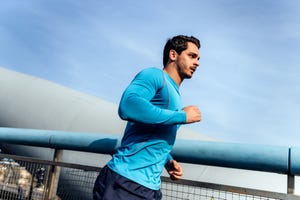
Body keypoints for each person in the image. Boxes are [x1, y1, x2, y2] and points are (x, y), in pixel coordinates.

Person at [93, 35, 201, 200]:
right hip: (125, 182)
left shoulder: (175, 93)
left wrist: (167, 160)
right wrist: (182, 116)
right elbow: (128, 105)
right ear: (173, 55)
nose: (197, 63)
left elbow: (153, 134)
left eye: (198, 58)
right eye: (192, 56)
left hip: (150, 188)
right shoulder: (154, 76)